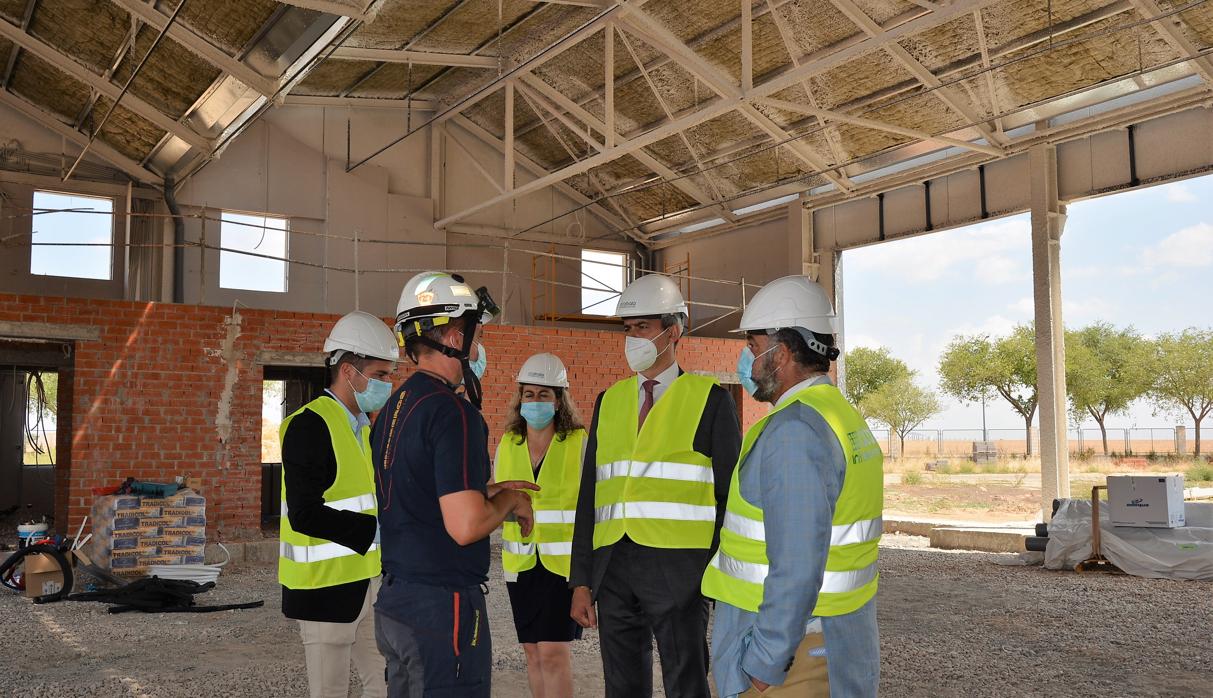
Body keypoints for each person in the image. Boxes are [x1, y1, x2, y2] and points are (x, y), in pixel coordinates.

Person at [702, 275, 884, 697]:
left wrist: (767, 658)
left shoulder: (795, 430)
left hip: (793, 658)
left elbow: (798, 565)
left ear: (780, 353)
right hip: (834, 635)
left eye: (751, 346)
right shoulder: (840, 416)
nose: (745, 360)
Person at [568, 274, 742, 698]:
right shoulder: (609, 400)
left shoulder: (710, 400)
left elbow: (730, 498)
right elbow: (590, 496)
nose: (632, 339)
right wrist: (580, 580)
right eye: (628, 330)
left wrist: (715, 574)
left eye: (642, 328)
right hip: (614, 569)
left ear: (674, 330)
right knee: (621, 686)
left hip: (681, 572)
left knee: (686, 683)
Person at [371, 271, 536, 698]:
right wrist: (511, 500)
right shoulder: (453, 413)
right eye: (474, 334)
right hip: (441, 610)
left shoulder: (394, 407)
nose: (478, 348)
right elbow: (465, 526)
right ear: (454, 335)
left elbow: (422, 491)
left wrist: (488, 491)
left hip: (396, 603)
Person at [279, 310, 398, 698]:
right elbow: (304, 513)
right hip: (323, 591)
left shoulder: (363, 426)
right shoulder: (309, 425)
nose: (387, 384)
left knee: (384, 683)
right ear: (349, 371)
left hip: (367, 583)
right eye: (380, 375)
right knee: (329, 691)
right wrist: (375, 531)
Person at [496, 353, 587, 698]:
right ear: (520, 398)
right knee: (532, 653)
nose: (535, 401)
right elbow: (499, 498)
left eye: (544, 394)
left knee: (552, 654)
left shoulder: (578, 441)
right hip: (520, 565)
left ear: (559, 399)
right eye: (529, 394)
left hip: (561, 567)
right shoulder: (509, 441)